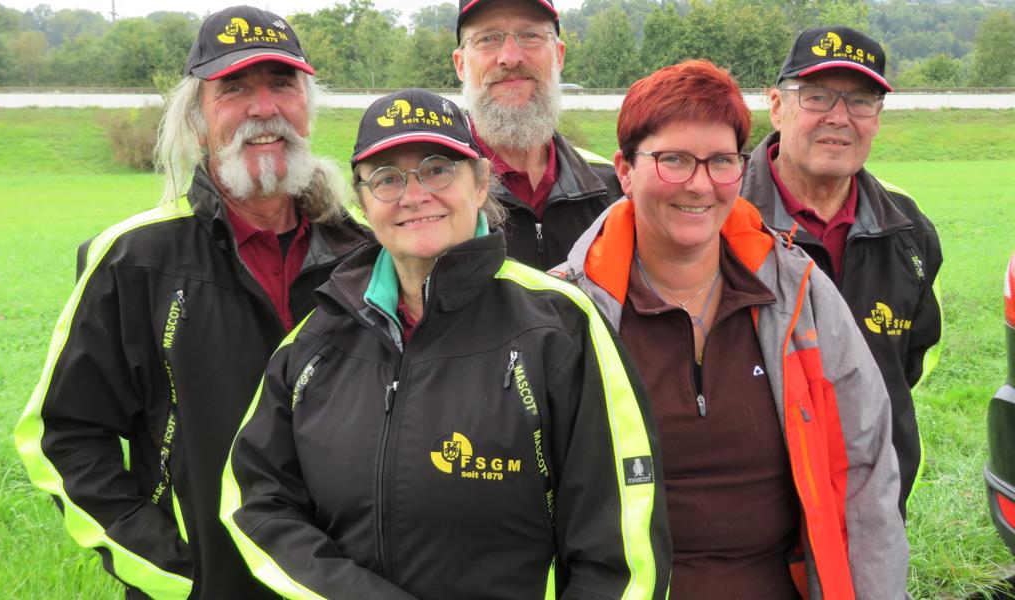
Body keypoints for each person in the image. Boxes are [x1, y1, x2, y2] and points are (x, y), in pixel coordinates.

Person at [219, 88, 671, 599]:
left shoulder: (560, 326)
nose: (414, 196)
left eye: (438, 169)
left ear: (480, 184)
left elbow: (623, 550)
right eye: (387, 179)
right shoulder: (317, 339)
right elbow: (254, 500)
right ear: (363, 202)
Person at [13, 6, 369, 598]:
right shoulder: (133, 260)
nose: (263, 108)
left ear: (307, 106)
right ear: (199, 120)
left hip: (343, 582)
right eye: (234, 89)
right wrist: (173, 571)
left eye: (282, 85)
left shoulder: (367, 254)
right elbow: (63, 435)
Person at [555, 60, 908, 599]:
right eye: (673, 160)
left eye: (721, 161)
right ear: (624, 170)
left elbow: (863, 472)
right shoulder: (569, 311)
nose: (700, 185)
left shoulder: (802, 295)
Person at [740, 26, 943, 517]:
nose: (839, 117)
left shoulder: (909, 228)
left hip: (873, 506)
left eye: (861, 100)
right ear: (776, 105)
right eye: (817, 96)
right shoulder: (722, 216)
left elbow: (911, 361)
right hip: (749, 517)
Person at [452, 0, 621, 269]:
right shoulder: (434, 201)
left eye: (530, 35)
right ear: (461, 65)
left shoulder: (614, 194)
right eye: (488, 39)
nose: (510, 57)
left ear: (559, 55)